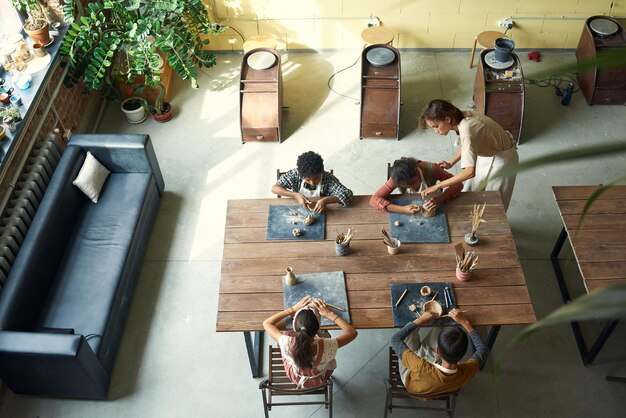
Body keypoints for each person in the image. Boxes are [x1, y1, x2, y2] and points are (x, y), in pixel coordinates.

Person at [418, 99, 518, 211]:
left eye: (435, 126)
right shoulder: (458, 116)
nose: (435, 131)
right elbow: (468, 145)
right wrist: (451, 163)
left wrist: (437, 186)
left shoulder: (467, 128)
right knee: (472, 189)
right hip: (487, 153)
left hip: (504, 159)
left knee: (494, 199)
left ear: (447, 119)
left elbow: (470, 172)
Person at [263, 296, 358, 388]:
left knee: (285, 332)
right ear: (317, 330)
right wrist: (329, 313)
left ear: (295, 328)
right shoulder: (327, 346)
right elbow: (352, 332)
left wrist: (292, 309)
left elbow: (267, 323)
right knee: (326, 337)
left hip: (296, 377)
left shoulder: (286, 343)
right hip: (320, 377)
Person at [390, 308, 489, 396]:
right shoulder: (465, 372)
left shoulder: (421, 367)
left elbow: (395, 340)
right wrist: (465, 322)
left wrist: (421, 320)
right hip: (433, 380)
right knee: (445, 324)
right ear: (464, 354)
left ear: (438, 350)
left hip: (411, 379)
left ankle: (418, 323)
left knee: (407, 325)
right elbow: (483, 350)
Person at [370, 157, 463, 214]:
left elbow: (458, 184)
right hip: (407, 204)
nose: (413, 188)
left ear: (417, 172)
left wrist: (440, 199)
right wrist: (402, 209)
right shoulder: (397, 177)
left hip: (434, 201)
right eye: (407, 186)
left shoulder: (433, 169)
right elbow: (374, 199)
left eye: (414, 183)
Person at [272, 151, 353, 213]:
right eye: (308, 180)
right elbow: (275, 188)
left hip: (322, 211)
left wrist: (326, 200)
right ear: (301, 175)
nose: (312, 183)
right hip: (299, 210)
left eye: (316, 178)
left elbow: (347, 194)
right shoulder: (295, 174)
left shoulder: (328, 178)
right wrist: (295, 195)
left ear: (321, 172)